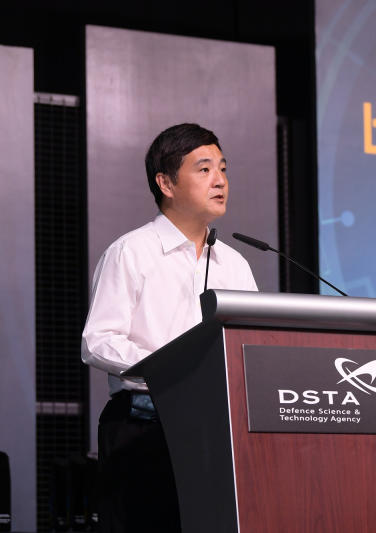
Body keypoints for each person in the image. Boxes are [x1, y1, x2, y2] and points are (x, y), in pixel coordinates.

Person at [81, 123, 258, 532]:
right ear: (166, 183)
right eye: (204, 169)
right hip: (144, 428)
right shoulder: (131, 252)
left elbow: (249, 344)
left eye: (223, 169)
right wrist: (171, 368)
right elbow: (98, 341)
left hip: (216, 432)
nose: (220, 180)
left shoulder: (235, 264)